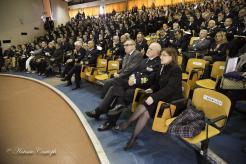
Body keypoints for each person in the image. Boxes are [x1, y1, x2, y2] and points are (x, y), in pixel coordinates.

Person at [115, 47, 183, 150]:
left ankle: (128, 123)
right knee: (146, 110)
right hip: (162, 97)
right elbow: (157, 84)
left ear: (171, 57)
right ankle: (133, 137)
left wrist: (154, 96)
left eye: (164, 55)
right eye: (161, 55)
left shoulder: (176, 69)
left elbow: (170, 88)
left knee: (147, 104)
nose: (161, 57)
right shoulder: (162, 66)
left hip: (172, 101)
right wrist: (151, 89)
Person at [85, 43, 162, 131]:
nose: (148, 50)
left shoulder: (158, 63)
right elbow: (135, 71)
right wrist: (132, 77)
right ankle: (114, 108)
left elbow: (150, 79)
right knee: (116, 82)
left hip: (142, 88)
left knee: (119, 91)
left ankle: (105, 117)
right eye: (148, 48)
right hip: (132, 82)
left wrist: (135, 80)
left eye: (151, 49)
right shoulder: (145, 60)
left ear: (157, 52)